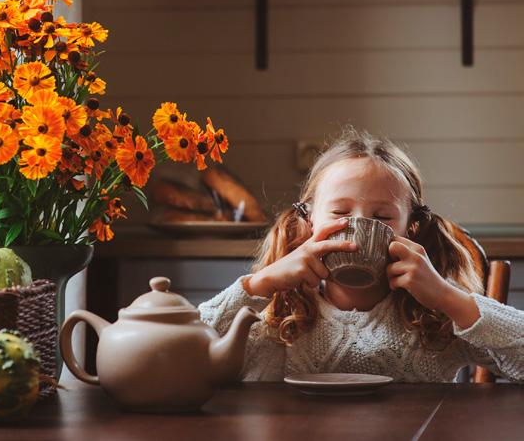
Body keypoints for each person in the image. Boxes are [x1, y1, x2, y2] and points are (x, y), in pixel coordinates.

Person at [198, 127, 524, 382]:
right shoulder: (276, 313)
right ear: (309, 221)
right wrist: (259, 284)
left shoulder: (434, 319)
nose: (358, 228)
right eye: (340, 212)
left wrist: (446, 297)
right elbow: (182, 355)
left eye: (382, 217)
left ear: (412, 228)